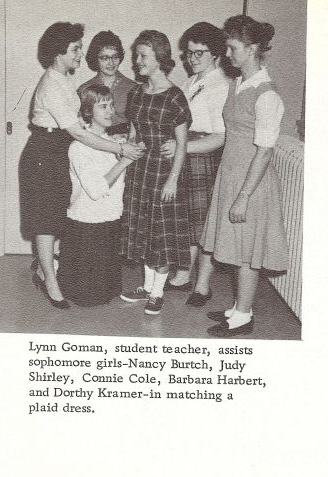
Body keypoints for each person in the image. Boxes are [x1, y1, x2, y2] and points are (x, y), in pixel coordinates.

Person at [18, 22, 144, 310]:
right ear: (58, 52)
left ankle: (48, 269)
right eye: (75, 49)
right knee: (46, 219)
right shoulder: (51, 83)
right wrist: (120, 148)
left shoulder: (63, 78)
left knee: (61, 213)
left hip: (57, 148)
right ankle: (50, 281)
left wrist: (115, 137)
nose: (79, 54)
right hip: (44, 153)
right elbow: (77, 131)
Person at [201, 15, 289, 338]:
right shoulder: (238, 83)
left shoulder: (266, 94)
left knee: (248, 251)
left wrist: (243, 195)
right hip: (231, 173)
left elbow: (264, 151)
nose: (227, 54)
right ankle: (240, 305)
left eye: (232, 47)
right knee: (237, 247)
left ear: (252, 49)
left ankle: (243, 316)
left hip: (252, 182)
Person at [120, 30, 191, 316]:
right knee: (145, 233)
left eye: (143, 55)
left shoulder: (175, 96)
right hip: (140, 172)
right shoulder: (137, 92)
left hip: (164, 174)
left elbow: (183, 144)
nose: (137, 61)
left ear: (160, 59)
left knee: (160, 234)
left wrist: (173, 180)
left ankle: (158, 292)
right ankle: (147, 287)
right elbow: (134, 132)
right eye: (137, 55)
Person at [163, 22, 230, 305]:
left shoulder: (220, 85)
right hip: (187, 154)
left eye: (199, 53)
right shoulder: (192, 82)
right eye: (189, 53)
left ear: (215, 54)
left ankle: (202, 285)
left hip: (203, 156)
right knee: (189, 222)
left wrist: (182, 147)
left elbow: (220, 137)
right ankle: (183, 274)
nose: (192, 58)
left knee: (204, 225)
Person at [57, 85, 135, 306]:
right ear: (88, 112)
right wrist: (124, 160)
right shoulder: (79, 147)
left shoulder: (116, 143)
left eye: (111, 105)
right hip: (86, 225)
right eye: (103, 106)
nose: (110, 111)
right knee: (87, 298)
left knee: (107, 292)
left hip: (109, 219)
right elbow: (96, 190)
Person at [78, 31, 136, 136]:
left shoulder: (133, 88)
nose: (111, 63)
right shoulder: (85, 89)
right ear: (95, 59)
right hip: (95, 141)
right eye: (105, 58)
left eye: (115, 57)